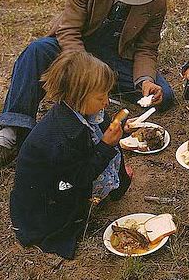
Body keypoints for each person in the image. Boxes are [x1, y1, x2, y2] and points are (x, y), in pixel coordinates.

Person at [0, 0, 175, 174]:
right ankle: (9, 135)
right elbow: (68, 29)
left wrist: (146, 81)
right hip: (78, 44)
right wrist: (83, 68)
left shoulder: (157, 1)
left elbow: (146, 49)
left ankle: (101, 91)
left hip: (115, 57)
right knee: (36, 52)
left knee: (165, 95)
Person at [10, 51, 131, 259]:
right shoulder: (62, 138)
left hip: (61, 181)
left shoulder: (82, 111)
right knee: (101, 157)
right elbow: (78, 176)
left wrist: (122, 131)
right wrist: (105, 146)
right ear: (78, 96)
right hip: (46, 206)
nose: (107, 102)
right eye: (101, 97)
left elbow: (99, 133)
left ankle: (112, 185)